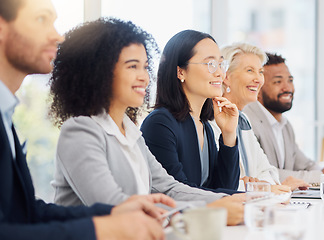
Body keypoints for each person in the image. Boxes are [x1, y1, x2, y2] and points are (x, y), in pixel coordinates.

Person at [0, 0, 177, 240]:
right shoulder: (82, 129)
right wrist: (101, 228)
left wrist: (114, 212)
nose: (58, 37)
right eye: (41, 19)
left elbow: (28, 212)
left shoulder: (6, 116)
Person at [49, 18, 244, 226]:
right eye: (133, 66)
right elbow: (115, 208)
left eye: (145, 67)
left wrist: (231, 200)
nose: (144, 77)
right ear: (100, 71)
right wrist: (207, 210)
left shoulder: (130, 132)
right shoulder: (80, 132)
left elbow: (169, 188)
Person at [140, 30, 240, 194]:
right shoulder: (160, 123)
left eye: (221, 64)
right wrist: (248, 198)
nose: (219, 73)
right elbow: (180, 193)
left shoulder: (204, 126)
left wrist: (229, 134)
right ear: (180, 72)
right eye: (210, 64)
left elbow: (225, 188)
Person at [210, 43, 309, 191]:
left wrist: (257, 185)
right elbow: (222, 183)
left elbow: (269, 172)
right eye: (250, 71)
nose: (258, 79)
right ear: (226, 77)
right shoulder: (211, 121)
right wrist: (257, 187)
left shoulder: (243, 120)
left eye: (260, 72)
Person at [243, 53, 324, 183]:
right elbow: (266, 174)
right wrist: (322, 177)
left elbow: (305, 164)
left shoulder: (285, 126)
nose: (287, 88)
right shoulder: (247, 121)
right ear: (258, 88)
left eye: (290, 80)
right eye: (278, 81)